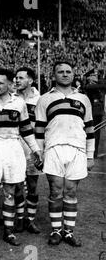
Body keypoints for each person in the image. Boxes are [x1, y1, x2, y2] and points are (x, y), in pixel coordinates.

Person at [0, 68, 42, 247]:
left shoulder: (19, 103)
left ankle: (9, 232)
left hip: (12, 148)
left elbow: (26, 129)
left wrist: (35, 149)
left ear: (10, 84)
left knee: (10, 192)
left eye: (0, 83)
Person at [35, 61, 95, 247]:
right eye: (60, 72)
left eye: (68, 71)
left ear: (73, 74)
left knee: (71, 191)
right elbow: (39, 130)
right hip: (53, 149)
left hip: (77, 149)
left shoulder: (83, 99)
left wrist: (90, 155)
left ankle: (68, 232)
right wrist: (39, 153)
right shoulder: (45, 99)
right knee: (56, 190)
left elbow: (90, 129)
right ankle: (56, 231)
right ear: (54, 75)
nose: (65, 74)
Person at [13, 67, 42, 234]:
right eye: (16, 78)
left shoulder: (40, 99)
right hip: (15, 147)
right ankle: (19, 217)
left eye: (21, 78)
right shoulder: (11, 98)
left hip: (32, 148)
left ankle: (30, 220)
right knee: (16, 184)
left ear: (30, 80)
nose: (17, 80)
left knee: (32, 185)